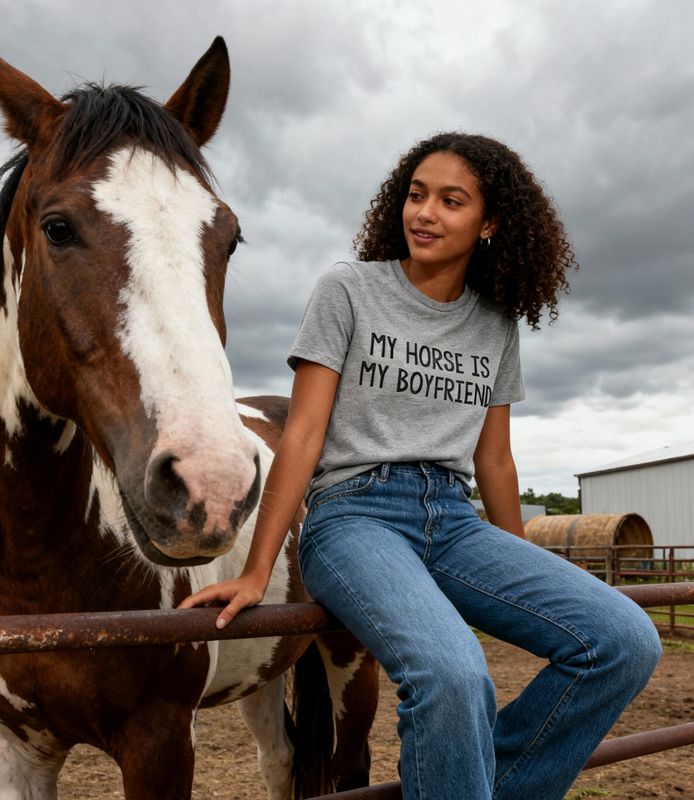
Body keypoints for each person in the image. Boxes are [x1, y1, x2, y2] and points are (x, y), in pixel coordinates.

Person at [180, 132, 662, 799]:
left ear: (490, 224)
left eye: (451, 200)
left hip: (455, 520)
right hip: (355, 518)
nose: (425, 213)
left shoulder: (496, 322)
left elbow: (494, 456)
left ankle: (469, 785)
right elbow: (304, 434)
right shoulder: (348, 290)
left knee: (627, 642)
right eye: (416, 194)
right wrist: (259, 568)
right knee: (453, 673)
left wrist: (521, 565)